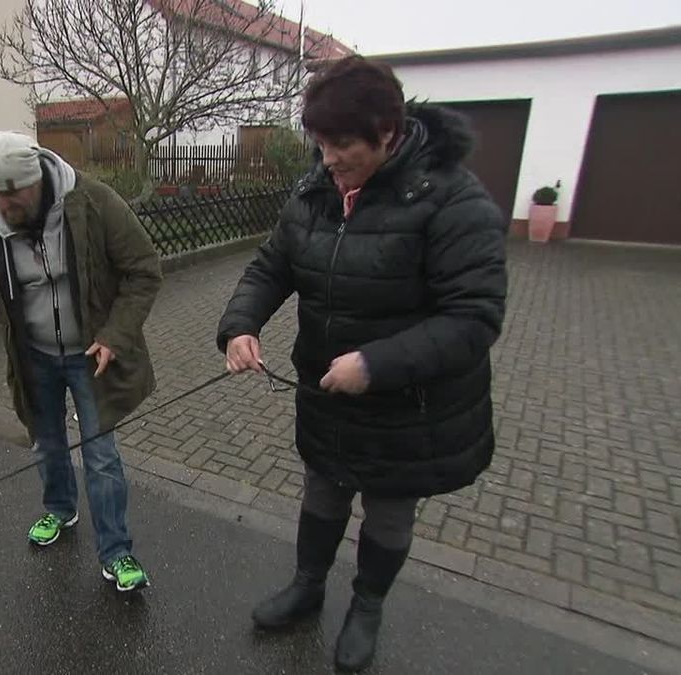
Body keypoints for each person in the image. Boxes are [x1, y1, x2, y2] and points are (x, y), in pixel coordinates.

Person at [216, 56, 507, 672]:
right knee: (322, 490)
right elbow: (273, 266)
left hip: (409, 406)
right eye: (320, 144)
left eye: (342, 144)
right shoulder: (315, 192)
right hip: (327, 391)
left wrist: (374, 364)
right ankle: (307, 586)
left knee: (388, 509)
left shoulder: (454, 200)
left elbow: (474, 317)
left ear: (388, 131)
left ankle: (366, 606)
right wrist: (240, 325)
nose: (328, 159)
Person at [0, 131, 163, 592]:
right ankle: (60, 510)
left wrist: (114, 335)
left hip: (90, 356)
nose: (4, 206)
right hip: (34, 358)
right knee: (46, 444)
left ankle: (117, 552)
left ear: (37, 179)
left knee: (101, 457)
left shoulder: (93, 202)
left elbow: (143, 269)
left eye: (13, 195)